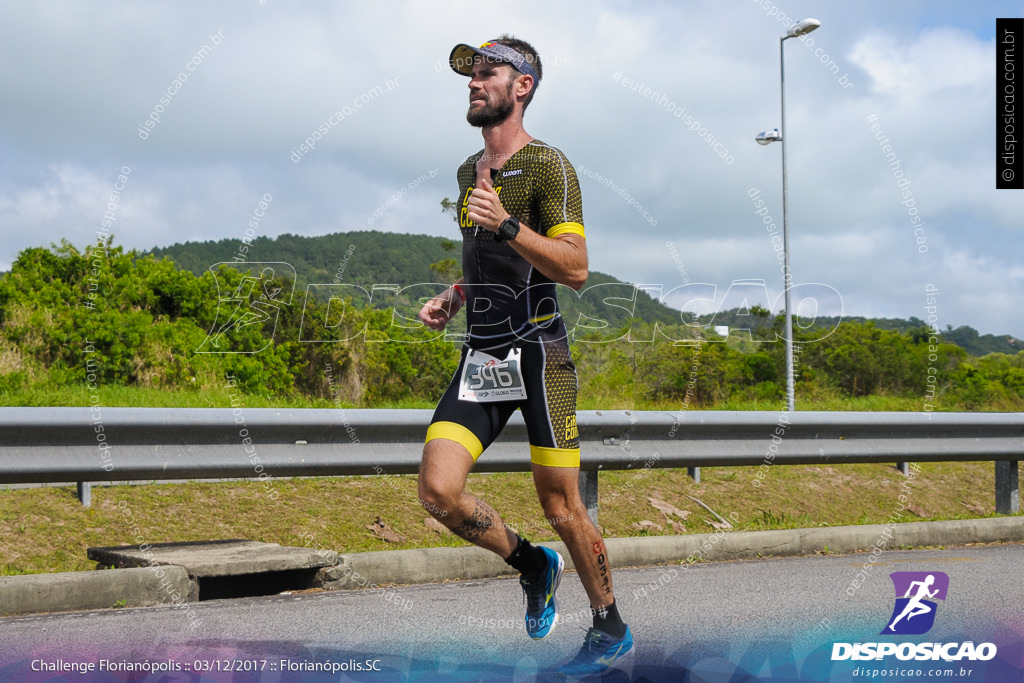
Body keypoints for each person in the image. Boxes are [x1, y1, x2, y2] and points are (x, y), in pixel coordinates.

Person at [416, 35, 634, 677]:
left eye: (488, 73)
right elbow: (491, 259)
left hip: (541, 355)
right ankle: (533, 565)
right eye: (470, 75)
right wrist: (455, 295)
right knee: (437, 491)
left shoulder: (549, 167)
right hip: (483, 353)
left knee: (561, 507)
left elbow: (577, 269)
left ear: (524, 86)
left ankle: (608, 626)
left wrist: (508, 222)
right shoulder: (466, 171)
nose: (474, 83)